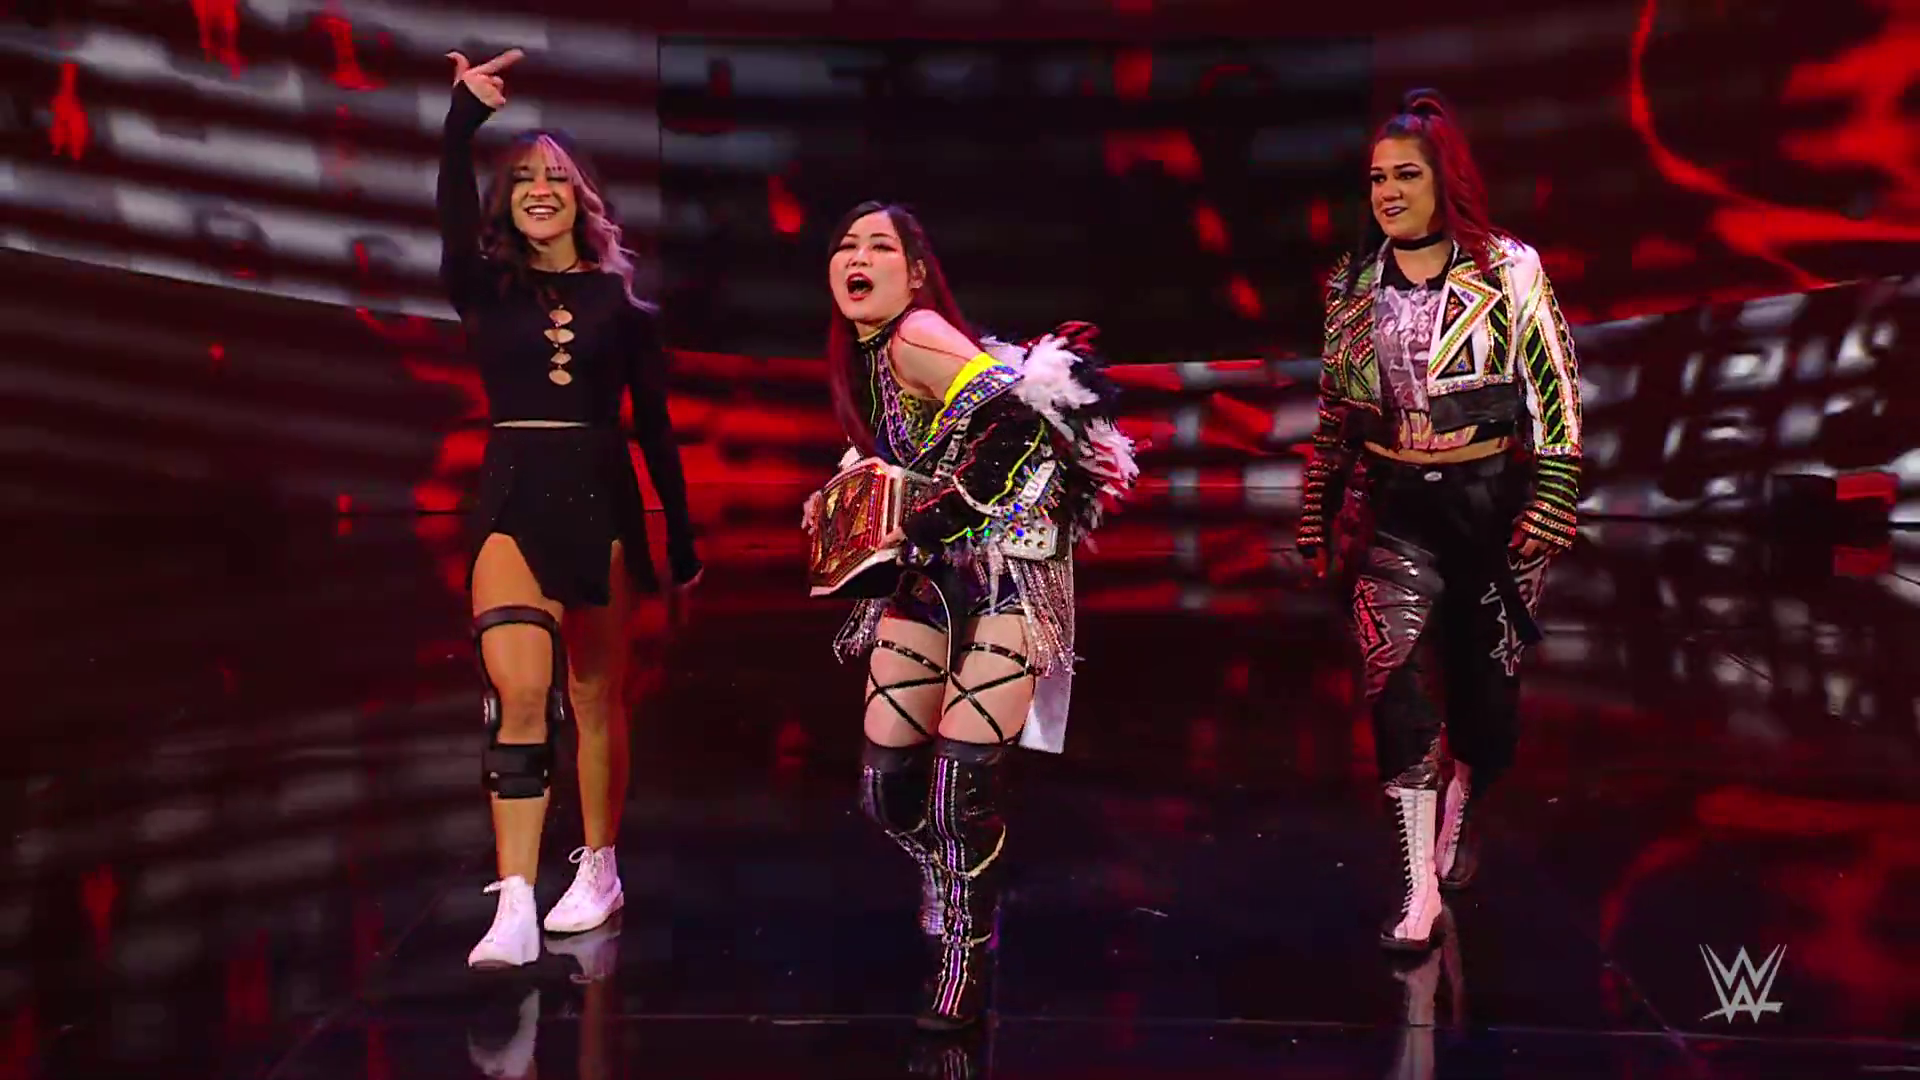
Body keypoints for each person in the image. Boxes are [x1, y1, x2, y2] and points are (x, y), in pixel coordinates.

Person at [805, 201, 1136, 1029]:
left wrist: (925, 522)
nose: (858, 258)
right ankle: (958, 879)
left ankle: (965, 945)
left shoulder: (914, 334)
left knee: (960, 786)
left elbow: (1023, 417)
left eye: (880, 246)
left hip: (1009, 573)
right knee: (887, 789)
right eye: (846, 246)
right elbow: (913, 455)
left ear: (916, 274)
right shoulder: (871, 360)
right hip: (932, 578)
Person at [1295, 89, 1582, 951]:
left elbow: (1555, 386)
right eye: (1377, 178)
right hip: (1394, 507)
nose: (1388, 192)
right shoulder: (1353, 286)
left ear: (1444, 179)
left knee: (1486, 703)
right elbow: (1337, 408)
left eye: (1406, 175)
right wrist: (1318, 506)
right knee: (1400, 691)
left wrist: (1554, 493)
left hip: (1490, 504)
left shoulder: (1507, 269)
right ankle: (1418, 887)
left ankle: (1464, 805)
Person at [437, 47, 702, 967]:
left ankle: (599, 867)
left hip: (602, 498)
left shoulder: (623, 307)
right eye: (522, 180)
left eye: (555, 177)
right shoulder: (483, 285)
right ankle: (514, 896)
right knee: (517, 693)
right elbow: (448, 217)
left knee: (594, 697)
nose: (539, 190)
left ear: (582, 198)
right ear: (504, 203)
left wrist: (682, 538)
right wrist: (462, 123)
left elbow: (656, 430)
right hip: (513, 492)